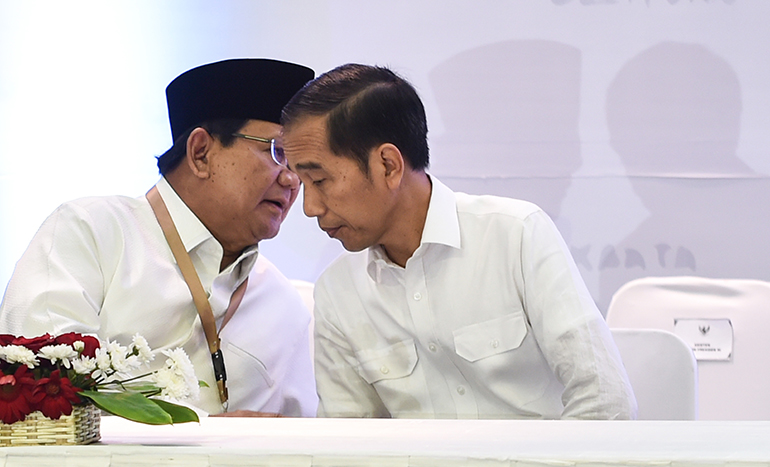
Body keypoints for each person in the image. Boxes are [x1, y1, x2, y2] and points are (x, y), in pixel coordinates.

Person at [281, 63, 637, 419]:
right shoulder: (337, 291)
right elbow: (350, 450)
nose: (309, 208)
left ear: (388, 165)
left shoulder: (515, 236)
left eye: (320, 180)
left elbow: (605, 400)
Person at [0, 58, 318, 417]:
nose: (292, 181)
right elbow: (41, 395)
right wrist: (208, 434)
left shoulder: (284, 306)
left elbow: (303, 446)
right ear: (201, 153)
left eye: (301, 165)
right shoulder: (90, 233)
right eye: (277, 153)